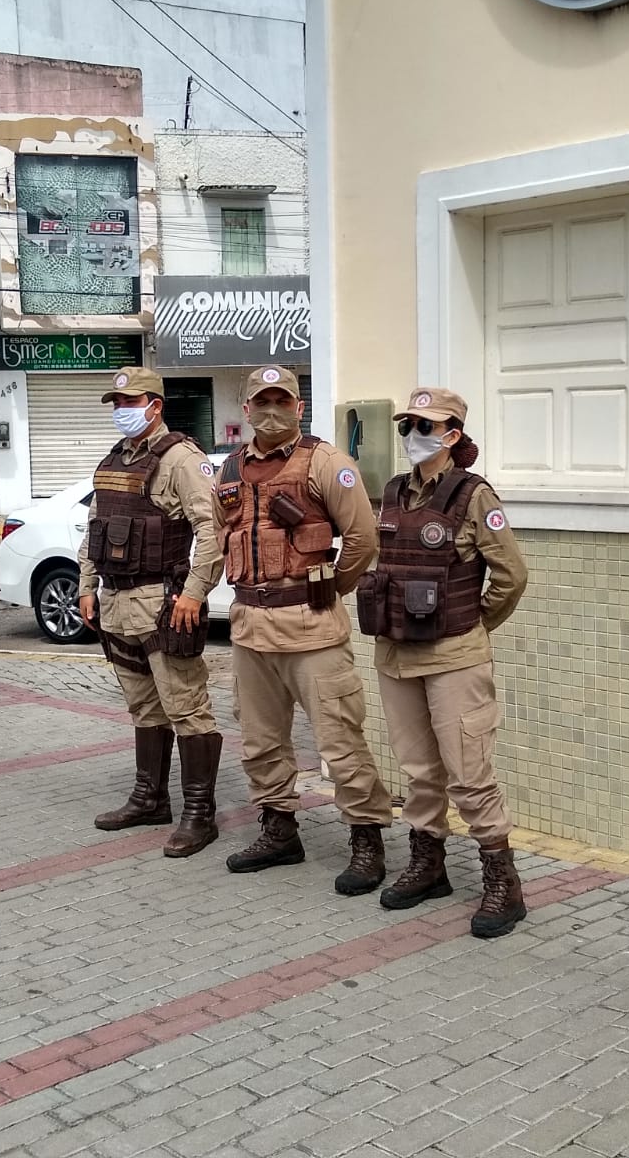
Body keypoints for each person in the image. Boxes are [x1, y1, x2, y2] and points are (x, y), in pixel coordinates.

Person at [354, 388, 530, 939]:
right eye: (407, 426)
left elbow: (512, 575)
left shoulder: (474, 495)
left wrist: (473, 624)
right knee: (419, 770)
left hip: (454, 656)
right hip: (396, 654)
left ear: (452, 434)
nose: (413, 435)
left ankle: (502, 880)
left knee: (469, 773)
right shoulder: (392, 491)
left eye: (425, 426)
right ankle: (428, 864)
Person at [214, 365, 394, 895]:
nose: (271, 410)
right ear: (246, 409)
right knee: (260, 741)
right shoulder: (229, 470)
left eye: (282, 401)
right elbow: (219, 535)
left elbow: (362, 540)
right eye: (262, 402)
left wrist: (328, 590)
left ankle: (366, 840)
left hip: (311, 631)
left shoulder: (326, 463)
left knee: (340, 742)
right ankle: (279, 831)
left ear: (299, 407)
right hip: (249, 629)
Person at [77, 367, 226, 857]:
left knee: (186, 707)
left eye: (131, 401)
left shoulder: (182, 460)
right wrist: (86, 586)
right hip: (117, 603)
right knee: (143, 706)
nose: (122, 410)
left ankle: (199, 815)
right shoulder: (114, 460)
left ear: (155, 405)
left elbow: (213, 532)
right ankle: (149, 799)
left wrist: (195, 594)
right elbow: (94, 530)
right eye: (117, 403)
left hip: (164, 603)